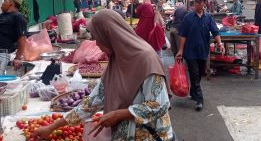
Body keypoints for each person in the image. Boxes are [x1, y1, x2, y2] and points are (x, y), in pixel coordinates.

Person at [34, 10, 174, 140]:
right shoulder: (116, 60)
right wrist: (52, 127)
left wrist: (119, 114)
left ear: (109, 35)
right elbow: (93, 101)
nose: (96, 44)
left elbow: (159, 105)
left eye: (97, 38)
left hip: (151, 135)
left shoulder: (146, 59)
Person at [175, 0, 224, 111]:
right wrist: (180, 50)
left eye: (199, 2)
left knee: (199, 73)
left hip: (203, 51)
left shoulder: (208, 18)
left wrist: (220, 43)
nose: (197, 4)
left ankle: (193, 92)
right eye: (195, 2)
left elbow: (215, 32)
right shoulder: (188, 17)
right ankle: (199, 100)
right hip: (190, 51)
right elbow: (183, 35)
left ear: (204, 3)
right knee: (194, 73)